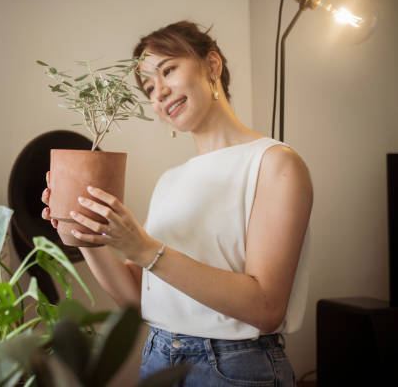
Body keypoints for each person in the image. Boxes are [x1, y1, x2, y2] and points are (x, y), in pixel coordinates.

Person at [41, 21, 313, 386]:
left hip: (234, 368)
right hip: (158, 359)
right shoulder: (170, 180)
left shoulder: (274, 162)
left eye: (168, 70)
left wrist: (145, 249)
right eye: (149, 87)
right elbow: (138, 297)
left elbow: (265, 306)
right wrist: (82, 229)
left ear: (212, 66)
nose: (159, 93)